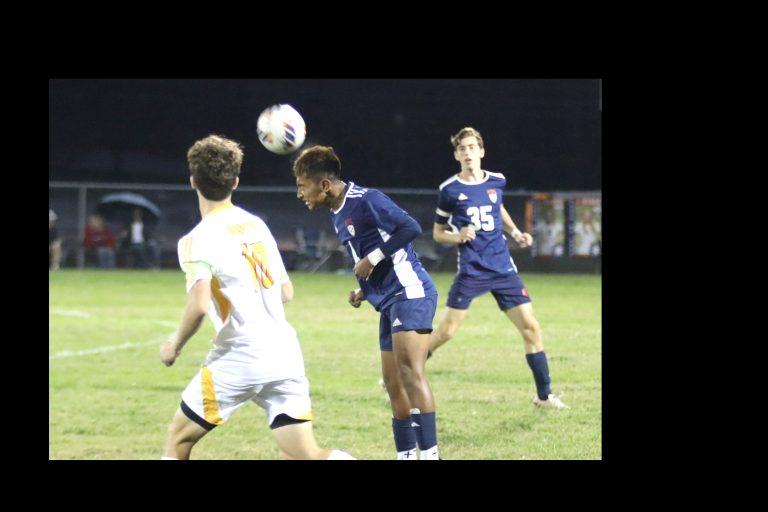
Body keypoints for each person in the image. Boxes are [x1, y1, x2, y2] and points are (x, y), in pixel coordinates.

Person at [159, 134, 354, 460]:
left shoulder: (195, 241)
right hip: (283, 353)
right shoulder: (256, 225)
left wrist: (173, 346)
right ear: (235, 181)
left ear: (193, 181)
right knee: (306, 453)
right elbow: (286, 291)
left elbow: (199, 305)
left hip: (239, 356)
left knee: (178, 439)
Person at [293, 146, 441, 460]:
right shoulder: (337, 212)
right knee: (392, 382)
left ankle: (430, 455)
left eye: (302, 185)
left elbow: (411, 228)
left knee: (411, 374)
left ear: (324, 185)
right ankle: (406, 455)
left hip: (410, 291)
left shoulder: (366, 199)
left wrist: (372, 258)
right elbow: (368, 255)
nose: (299, 193)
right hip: (387, 299)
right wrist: (364, 289)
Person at [430, 127, 568, 410]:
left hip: (503, 268)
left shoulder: (497, 181)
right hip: (472, 270)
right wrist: (458, 236)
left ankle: (544, 397)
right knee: (446, 332)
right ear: (456, 155)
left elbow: (498, 207)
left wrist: (515, 233)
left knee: (531, 328)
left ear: (481, 151)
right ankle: (402, 371)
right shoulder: (449, 190)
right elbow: (437, 233)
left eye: (472, 147)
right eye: (462, 149)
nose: (468, 153)